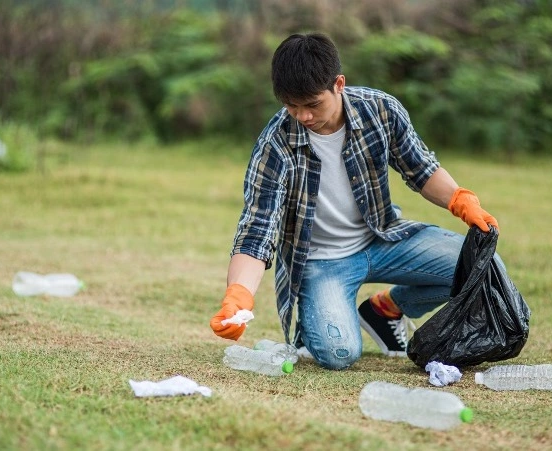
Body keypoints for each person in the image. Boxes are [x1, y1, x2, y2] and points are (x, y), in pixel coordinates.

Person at [209, 32, 501, 370]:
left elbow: (421, 170)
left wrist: (460, 200)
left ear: (339, 84)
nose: (303, 116)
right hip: (322, 262)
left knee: (483, 265)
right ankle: (315, 320)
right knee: (340, 353)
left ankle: (386, 309)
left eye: (312, 104)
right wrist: (239, 294)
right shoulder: (275, 145)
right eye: (292, 105)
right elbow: (258, 230)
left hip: (383, 237)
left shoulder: (380, 110)